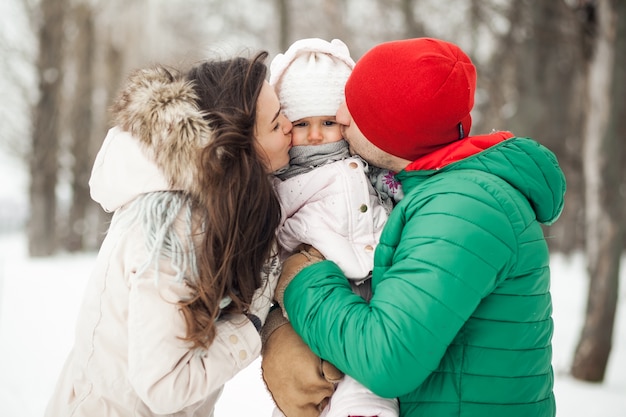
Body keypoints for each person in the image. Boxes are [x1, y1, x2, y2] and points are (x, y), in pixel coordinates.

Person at [262, 37, 566, 417]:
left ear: (390, 126)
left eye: (354, 106)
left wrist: (302, 280)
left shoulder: (462, 209)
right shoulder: (430, 195)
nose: (339, 114)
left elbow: (387, 359)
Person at [44, 52, 293, 417]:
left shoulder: (219, 209)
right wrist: (250, 326)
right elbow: (165, 387)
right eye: (275, 125)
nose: (290, 126)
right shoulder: (174, 230)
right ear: (238, 152)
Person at [263, 38, 401, 417]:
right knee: (309, 366)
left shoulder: (364, 161)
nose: (316, 135)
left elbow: (391, 192)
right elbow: (268, 228)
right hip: (319, 279)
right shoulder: (283, 179)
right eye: (303, 124)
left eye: (327, 122)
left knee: (368, 357)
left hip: (376, 278)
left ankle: (365, 409)